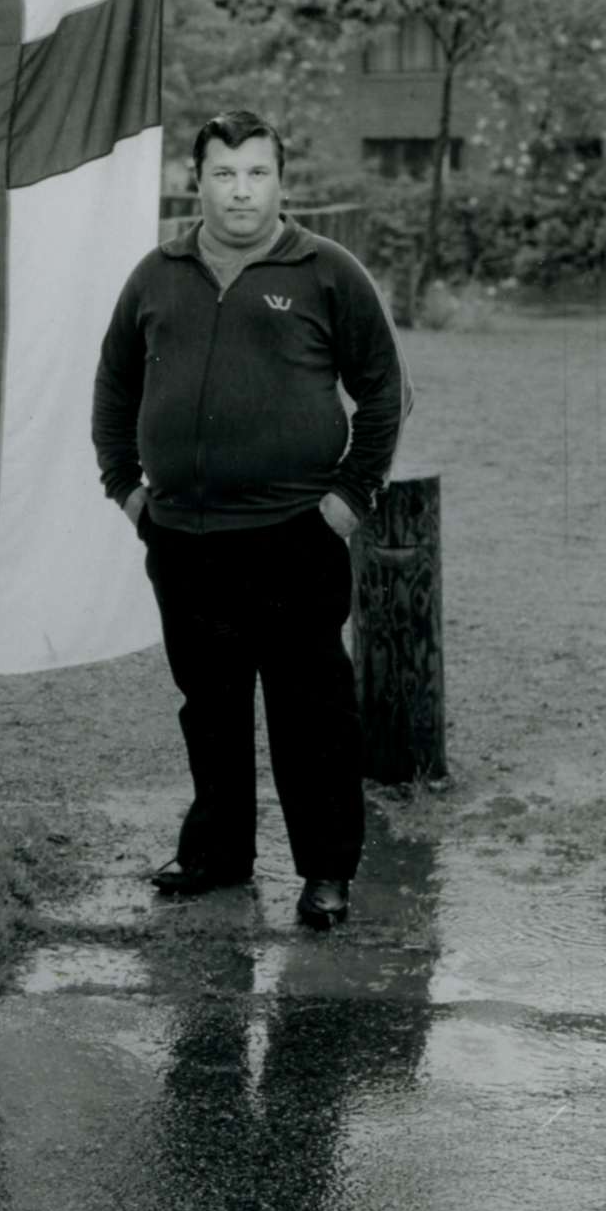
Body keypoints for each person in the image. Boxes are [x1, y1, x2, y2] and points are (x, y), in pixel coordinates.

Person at [92, 110, 413, 927]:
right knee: (210, 704)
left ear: (281, 180)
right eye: (225, 173)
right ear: (196, 180)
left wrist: (347, 498)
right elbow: (114, 389)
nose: (241, 190)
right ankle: (216, 854)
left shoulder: (325, 270)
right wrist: (129, 491)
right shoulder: (155, 274)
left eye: (257, 173)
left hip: (293, 537)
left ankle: (326, 871)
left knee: (310, 710)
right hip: (184, 538)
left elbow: (383, 390)